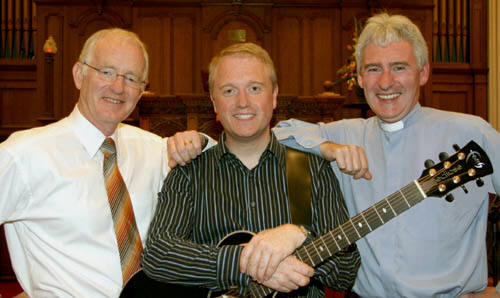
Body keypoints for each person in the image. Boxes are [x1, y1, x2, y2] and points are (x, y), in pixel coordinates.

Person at [272, 13, 500, 297]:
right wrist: (329, 149)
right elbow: (278, 133)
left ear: (424, 72)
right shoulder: (345, 134)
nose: (385, 82)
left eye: (399, 67)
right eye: (373, 69)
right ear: (358, 78)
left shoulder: (471, 133)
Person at [141, 42, 361, 297]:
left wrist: (300, 238)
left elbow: (346, 272)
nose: (242, 102)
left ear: (274, 95)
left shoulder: (310, 170)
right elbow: (158, 255)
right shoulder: (190, 172)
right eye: (229, 90)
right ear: (214, 102)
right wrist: (248, 263)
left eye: (254, 88)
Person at [0, 28, 207, 297]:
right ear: (79, 74)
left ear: (142, 90)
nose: (118, 87)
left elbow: (218, 167)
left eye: (132, 78)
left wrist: (199, 141)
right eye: (106, 71)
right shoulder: (25, 154)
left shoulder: (153, 149)